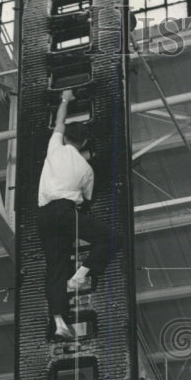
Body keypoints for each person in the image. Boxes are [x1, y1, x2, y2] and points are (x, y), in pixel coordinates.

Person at [37, 89, 121, 339]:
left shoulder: (55, 148)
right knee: (113, 238)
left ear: (66, 139)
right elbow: (87, 202)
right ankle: (81, 275)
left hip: (43, 216)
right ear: (84, 143)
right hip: (66, 212)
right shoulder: (86, 170)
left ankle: (58, 320)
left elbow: (60, 122)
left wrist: (65, 99)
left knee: (55, 267)